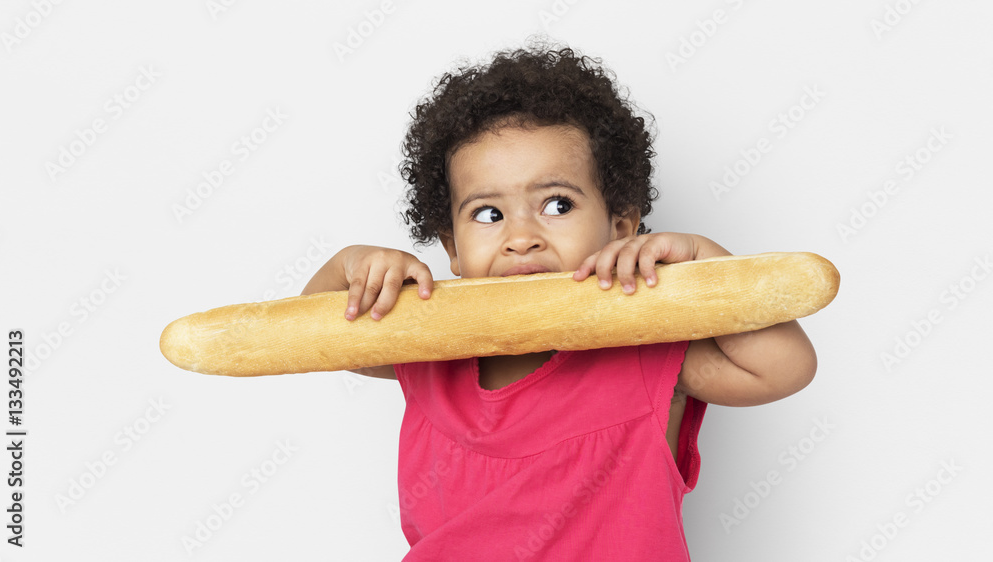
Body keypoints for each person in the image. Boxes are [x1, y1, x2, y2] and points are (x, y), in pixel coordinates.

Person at [302, 42, 817, 561]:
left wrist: (703, 264)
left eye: (557, 204)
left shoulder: (646, 350)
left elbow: (784, 366)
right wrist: (349, 267)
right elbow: (312, 341)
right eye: (487, 214)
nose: (521, 236)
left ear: (620, 227)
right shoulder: (426, 352)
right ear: (452, 249)